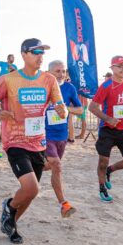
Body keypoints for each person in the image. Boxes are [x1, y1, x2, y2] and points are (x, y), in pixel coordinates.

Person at [0, 38, 65, 245]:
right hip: (15, 140)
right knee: (32, 188)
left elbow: (61, 106)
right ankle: (9, 207)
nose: (40, 56)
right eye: (36, 52)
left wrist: (63, 111)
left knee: (29, 194)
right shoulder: (8, 79)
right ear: (24, 54)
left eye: (42, 52)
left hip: (38, 142)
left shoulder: (49, 80)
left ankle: (11, 224)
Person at [89, 56, 123, 203]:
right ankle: (102, 187)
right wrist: (107, 118)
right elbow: (92, 107)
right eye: (119, 66)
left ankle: (110, 171)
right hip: (108, 129)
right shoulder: (106, 86)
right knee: (103, 161)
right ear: (112, 68)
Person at [44, 60, 84, 218]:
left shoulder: (69, 88)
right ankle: (64, 204)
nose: (61, 74)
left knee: (50, 166)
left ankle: (32, 169)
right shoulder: (42, 88)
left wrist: (65, 108)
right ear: (49, 73)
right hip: (46, 134)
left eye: (63, 71)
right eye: (58, 71)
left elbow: (80, 109)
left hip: (62, 135)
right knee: (57, 165)